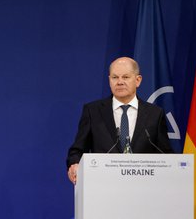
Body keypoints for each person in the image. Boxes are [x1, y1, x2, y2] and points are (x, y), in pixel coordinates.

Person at [66, 56, 173, 184]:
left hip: (144, 187)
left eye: (126, 77)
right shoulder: (93, 111)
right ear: (109, 80)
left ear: (138, 80)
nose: (120, 82)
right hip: (104, 185)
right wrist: (74, 164)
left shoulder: (155, 114)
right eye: (115, 77)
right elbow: (77, 150)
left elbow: (165, 154)